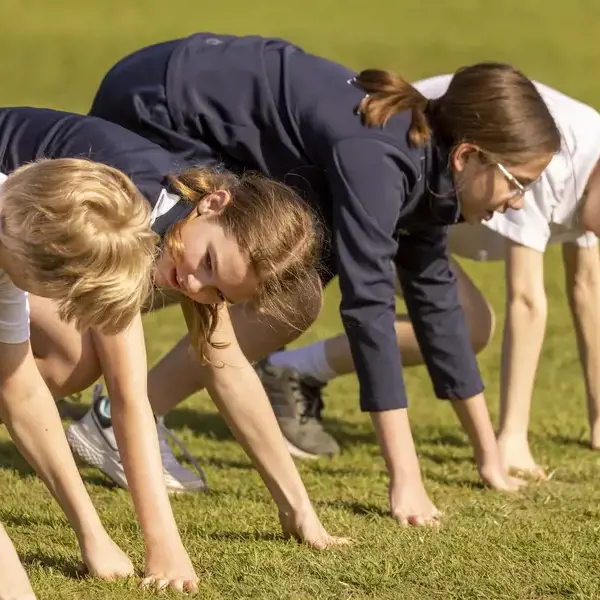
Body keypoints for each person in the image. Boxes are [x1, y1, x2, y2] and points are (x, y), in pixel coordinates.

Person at [84, 32, 561, 525]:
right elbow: (369, 308)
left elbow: (435, 298)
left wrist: (489, 455)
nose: (520, 200)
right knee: (261, 280)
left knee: (281, 282)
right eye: (518, 181)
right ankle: (115, 417)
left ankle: (121, 412)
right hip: (159, 101)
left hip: (178, 92)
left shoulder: (428, 171)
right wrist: (406, 478)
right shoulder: (381, 159)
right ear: (467, 157)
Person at [4, 106, 349, 569]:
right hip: (12, 213)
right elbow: (129, 399)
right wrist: (162, 547)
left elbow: (226, 364)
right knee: (78, 360)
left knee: (63, 366)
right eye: (207, 264)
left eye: (219, 292)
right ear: (214, 203)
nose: (196, 288)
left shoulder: (191, 223)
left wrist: (299, 510)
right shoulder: (131, 219)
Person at [255, 76, 600, 481]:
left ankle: (285, 369)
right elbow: (526, 300)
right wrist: (512, 437)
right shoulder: (542, 160)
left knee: (464, 324)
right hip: (383, 188)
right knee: (466, 323)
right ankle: (284, 370)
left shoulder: (583, 161)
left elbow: (587, 286)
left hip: (418, 206)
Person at [0, 158, 156, 599]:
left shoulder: (10, 223)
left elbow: (19, 387)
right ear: (33, 255)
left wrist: (93, 533)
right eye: (66, 293)